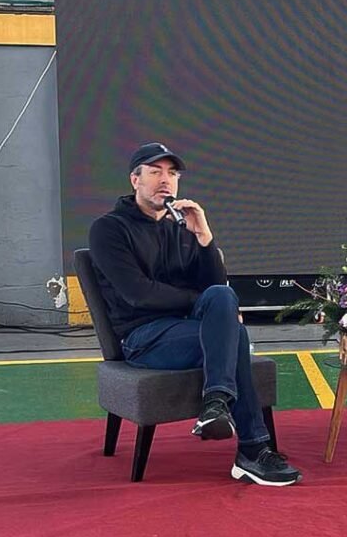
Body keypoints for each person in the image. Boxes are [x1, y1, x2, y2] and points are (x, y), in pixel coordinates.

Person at [88, 142, 301, 486]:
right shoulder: (109, 229)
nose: (165, 180)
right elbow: (138, 294)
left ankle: (216, 402)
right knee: (234, 333)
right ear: (135, 180)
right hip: (143, 338)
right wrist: (204, 308)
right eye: (155, 172)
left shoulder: (181, 228)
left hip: (186, 330)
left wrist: (204, 236)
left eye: (172, 173)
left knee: (222, 297)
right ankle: (251, 449)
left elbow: (217, 291)